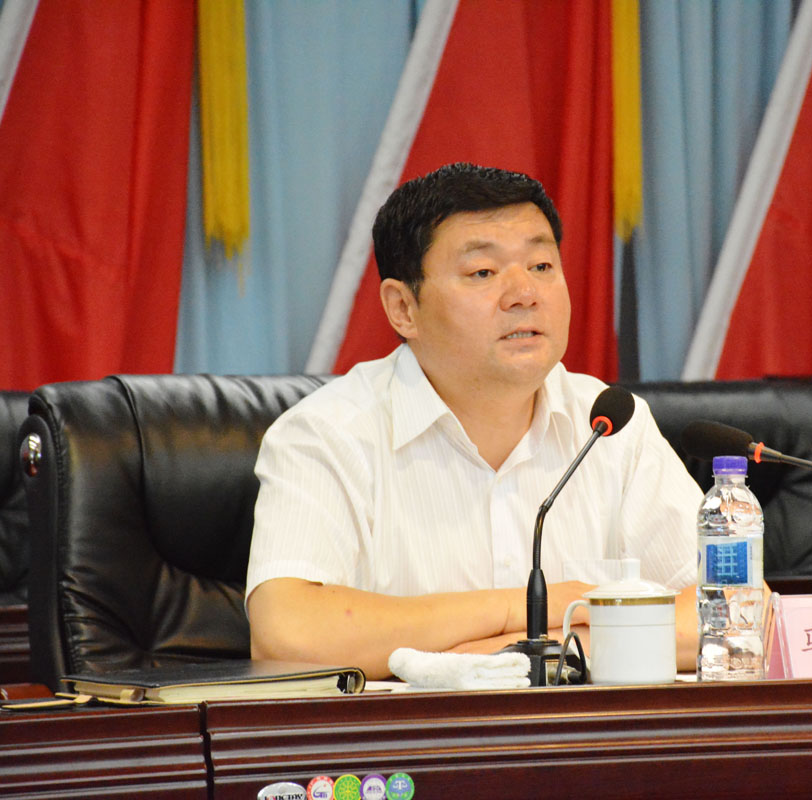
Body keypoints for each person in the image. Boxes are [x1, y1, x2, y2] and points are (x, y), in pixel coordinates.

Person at [246, 163, 702, 680]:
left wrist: (532, 650)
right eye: (483, 273)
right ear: (403, 308)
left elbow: (733, 611)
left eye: (542, 266)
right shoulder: (326, 434)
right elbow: (288, 634)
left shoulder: (609, 423)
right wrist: (518, 610)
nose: (524, 293)